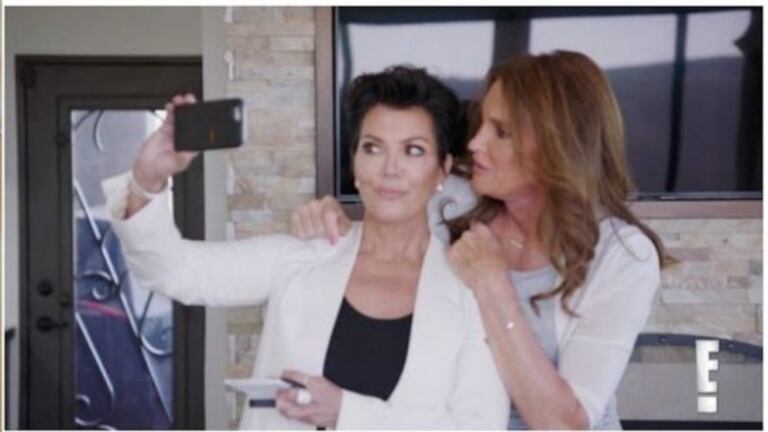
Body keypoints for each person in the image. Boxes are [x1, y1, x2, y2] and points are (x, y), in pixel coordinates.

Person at [101, 66, 509, 429]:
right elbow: (172, 271)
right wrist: (147, 178)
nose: (390, 168)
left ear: (441, 170)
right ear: (355, 163)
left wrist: (346, 412)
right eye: (372, 147)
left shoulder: (469, 287)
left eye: (413, 150)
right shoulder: (304, 254)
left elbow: (480, 425)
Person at [291, 51, 673, 430]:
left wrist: (493, 284)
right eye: (481, 124)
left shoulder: (623, 257)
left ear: (556, 145)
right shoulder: (451, 200)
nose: (474, 143)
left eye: (501, 132)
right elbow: (383, 210)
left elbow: (566, 424)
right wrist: (329, 218)